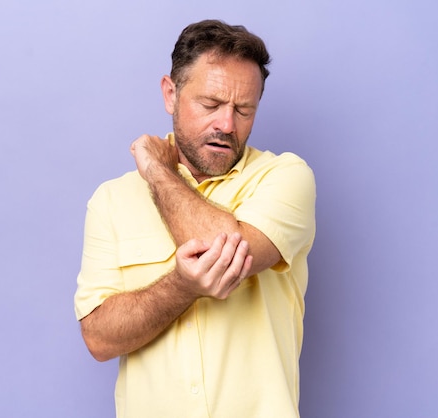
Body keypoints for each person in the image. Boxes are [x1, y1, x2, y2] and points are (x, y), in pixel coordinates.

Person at [74, 19, 316, 418]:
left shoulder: (286, 179)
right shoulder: (111, 200)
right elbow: (99, 338)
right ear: (170, 94)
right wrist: (179, 288)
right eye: (210, 105)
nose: (226, 125)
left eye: (243, 110)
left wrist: (156, 171)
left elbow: (221, 258)